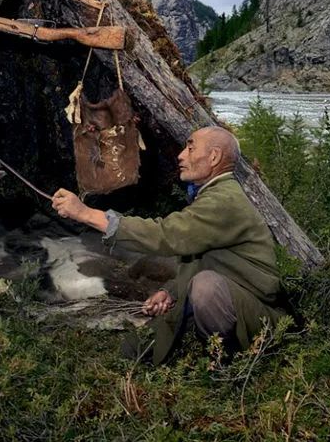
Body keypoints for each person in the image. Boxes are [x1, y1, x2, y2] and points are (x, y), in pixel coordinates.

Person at [51, 126, 284, 365]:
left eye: (190, 148)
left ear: (214, 157)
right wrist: (171, 292)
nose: (181, 155)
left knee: (205, 288)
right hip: (238, 303)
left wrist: (87, 214)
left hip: (260, 316)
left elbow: (166, 234)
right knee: (135, 348)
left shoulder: (224, 200)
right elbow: (207, 260)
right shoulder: (214, 193)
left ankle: (227, 366)